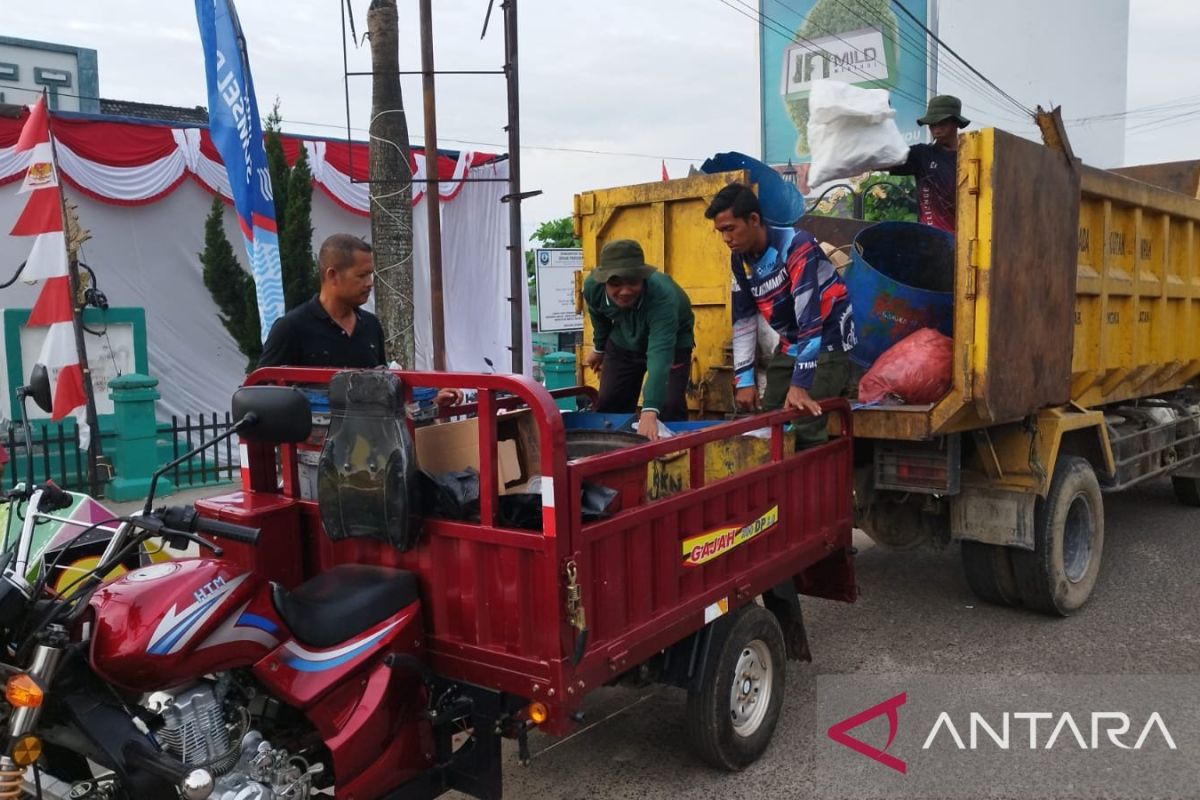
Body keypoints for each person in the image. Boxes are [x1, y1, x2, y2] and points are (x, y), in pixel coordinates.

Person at [705, 183, 855, 446]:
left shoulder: (797, 245)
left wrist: (800, 384)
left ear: (753, 220)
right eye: (721, 232)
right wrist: (745, 379)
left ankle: (811, 483)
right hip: (790, 345)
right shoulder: (739, 259)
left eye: (730, 229)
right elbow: (743, 319)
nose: (726, 239)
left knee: (803, 419)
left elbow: (809, 318)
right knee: (770, 418)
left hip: (828, 341)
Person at [258, 233, 458, 406]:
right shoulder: (291, 328)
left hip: (372, 444)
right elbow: (260, 392)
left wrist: (430, 399)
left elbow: (383, 389)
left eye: (370, 275)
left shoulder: (371, 325)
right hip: (312, 447)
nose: (370, 283)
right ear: (332, 275)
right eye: (362, 276)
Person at [582, 239, 695, 442]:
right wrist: (599, 348)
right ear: (603, 281)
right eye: (615, 283)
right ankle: (615, 458)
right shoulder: (592, 288)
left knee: (668, 406)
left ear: (643, 278)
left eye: (632, 282)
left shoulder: (662, 297)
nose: (624, 291)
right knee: (610, 403)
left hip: (672, 342)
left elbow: (660, 357)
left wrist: (650, 411)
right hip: (624, 339)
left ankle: (673, 459)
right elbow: (598, 317)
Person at [889, 94, 970, 233]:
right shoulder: (921, 155)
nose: (936, 130)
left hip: (966, 239)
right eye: (932, 125)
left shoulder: (971, 157)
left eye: (943, 124)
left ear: (956, 123)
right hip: (931, 239)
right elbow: (883, 162)